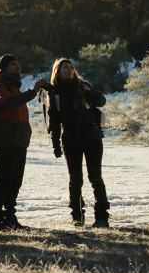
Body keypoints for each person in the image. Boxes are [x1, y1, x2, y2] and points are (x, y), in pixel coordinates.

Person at [0, 54, 44, 230]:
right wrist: (32, 92)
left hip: (19, 141)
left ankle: (9, 216)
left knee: (15, 181)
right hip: (5, 140)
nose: (17, 67)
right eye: (13, 64)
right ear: (3, 67)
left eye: (18, 64)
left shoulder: (15, 88)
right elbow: (6, 103)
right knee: (3, 180)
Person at [45, 57, 109, 227]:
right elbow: (54, 120)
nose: (69, 69)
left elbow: (101, 101)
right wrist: (55, 143)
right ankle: (77, 215)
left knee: (95, 177)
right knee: (75, 179)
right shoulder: (54, 93)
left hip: (92, 137)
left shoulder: (83, 86)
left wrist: (88, 92)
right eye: (64, 67)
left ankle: (102, 217)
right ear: (57, 71)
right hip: (71, 139)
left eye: (71, 66)